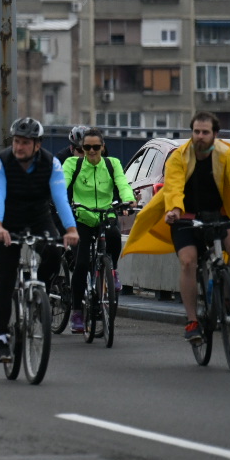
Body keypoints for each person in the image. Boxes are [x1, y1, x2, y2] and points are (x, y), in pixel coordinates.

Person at [125, 112, 230, 343]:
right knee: (188, 261)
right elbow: (173, 186)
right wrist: (174, 210)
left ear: (215, 135)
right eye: (196, 132)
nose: (200, 137)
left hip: (217, 217)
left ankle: (227, 298)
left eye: (205, 132)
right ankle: (192, 321)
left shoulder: (226, 156)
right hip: (185, 219)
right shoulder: (179, 156)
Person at [0, 117, 79, 364]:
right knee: (5, 282)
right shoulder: (1, 162)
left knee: (54, 251)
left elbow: (60, 198)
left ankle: (40, 291)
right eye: (17, 141)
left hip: (39, 218)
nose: (19, 147)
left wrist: (70, 229)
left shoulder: (51, 163)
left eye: (25, 143)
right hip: (6, 221)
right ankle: (1, 339)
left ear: (37, 145)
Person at [59, 128, 134, 334]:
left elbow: (122, 183)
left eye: (95, 147)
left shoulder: (112, 164)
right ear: (81, 148)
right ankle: (76, 312)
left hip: (105, 215)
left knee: (113, 236)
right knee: (82, 263)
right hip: (82, 217)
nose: (91, 151)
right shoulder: (72, 164)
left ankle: (113, 270)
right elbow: (62, 184)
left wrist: (128, 200)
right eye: (86, 147)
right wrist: (58, 201)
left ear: (103, 147)